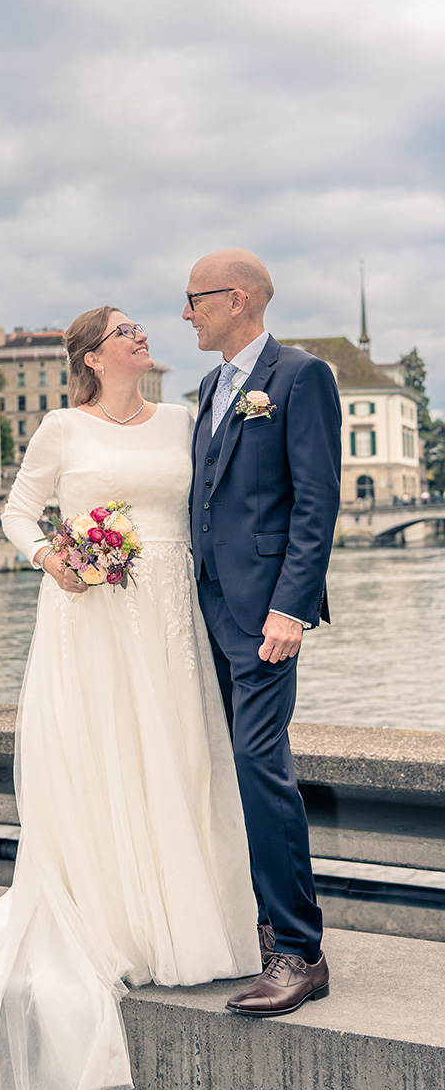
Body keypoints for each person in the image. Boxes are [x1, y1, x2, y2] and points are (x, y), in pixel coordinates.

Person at [0, 306, 260, 1090]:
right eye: (127, 330)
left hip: (170, 610)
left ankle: (185, 920)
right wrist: (52, 556)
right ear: (93, 355)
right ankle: (116, 921)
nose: (144, 336)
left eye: (144, 328)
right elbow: (14, 511)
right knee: (101, 755)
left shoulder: (183, 420)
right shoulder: (60, 428)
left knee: (176, 754)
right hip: (91, 611)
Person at [183, 249, 342, 1016]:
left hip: (264, 615)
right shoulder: (212, 386)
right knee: (224, 762)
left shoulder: (299, 376)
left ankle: (297, 950)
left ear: (234, 298)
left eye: (194, 300)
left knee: (258, 763)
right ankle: (254, 926)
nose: (186, 314)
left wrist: (291, 607)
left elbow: (315, 501)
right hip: (205, 608)